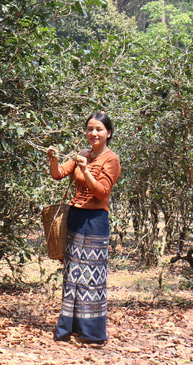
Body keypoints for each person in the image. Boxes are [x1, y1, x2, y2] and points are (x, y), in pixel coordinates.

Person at [46, 111, 121, 344]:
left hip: (96, 221)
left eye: (99, 129)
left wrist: (86, 170)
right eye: (90, 129)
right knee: (73, 274)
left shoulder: (111, 160)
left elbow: (102, 193)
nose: (94, 133)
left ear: (108, 133)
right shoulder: (82, 154)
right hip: (75, 217)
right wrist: (54, 159)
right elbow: (58, 174)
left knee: (92, 277)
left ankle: (92, 334)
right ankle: (69, 328)